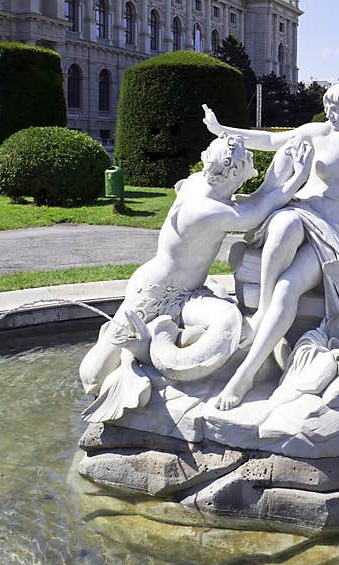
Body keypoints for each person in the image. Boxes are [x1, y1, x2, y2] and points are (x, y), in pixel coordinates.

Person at [203, 84, 339, 428]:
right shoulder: (317, 133)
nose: (329, 115)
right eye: (327, 108)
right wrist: (223, 131)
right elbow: (272, 141)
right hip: (301, 211)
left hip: (332, 232)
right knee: (284, 224)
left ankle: (245, 374)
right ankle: (261, 314)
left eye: (336, 110)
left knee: (290, 287)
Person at [79, 132, 312, 395]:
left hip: (187, 291)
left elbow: (258, 198)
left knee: (228, 320)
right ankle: (137, 356)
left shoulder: (200, 184)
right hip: (156, 293)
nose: (250, 157)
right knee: (94, 377)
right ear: (233, 172)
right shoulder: (204, 210)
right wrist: (299, 178)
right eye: (246, 158)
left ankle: (151, 351)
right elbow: (254, 213)